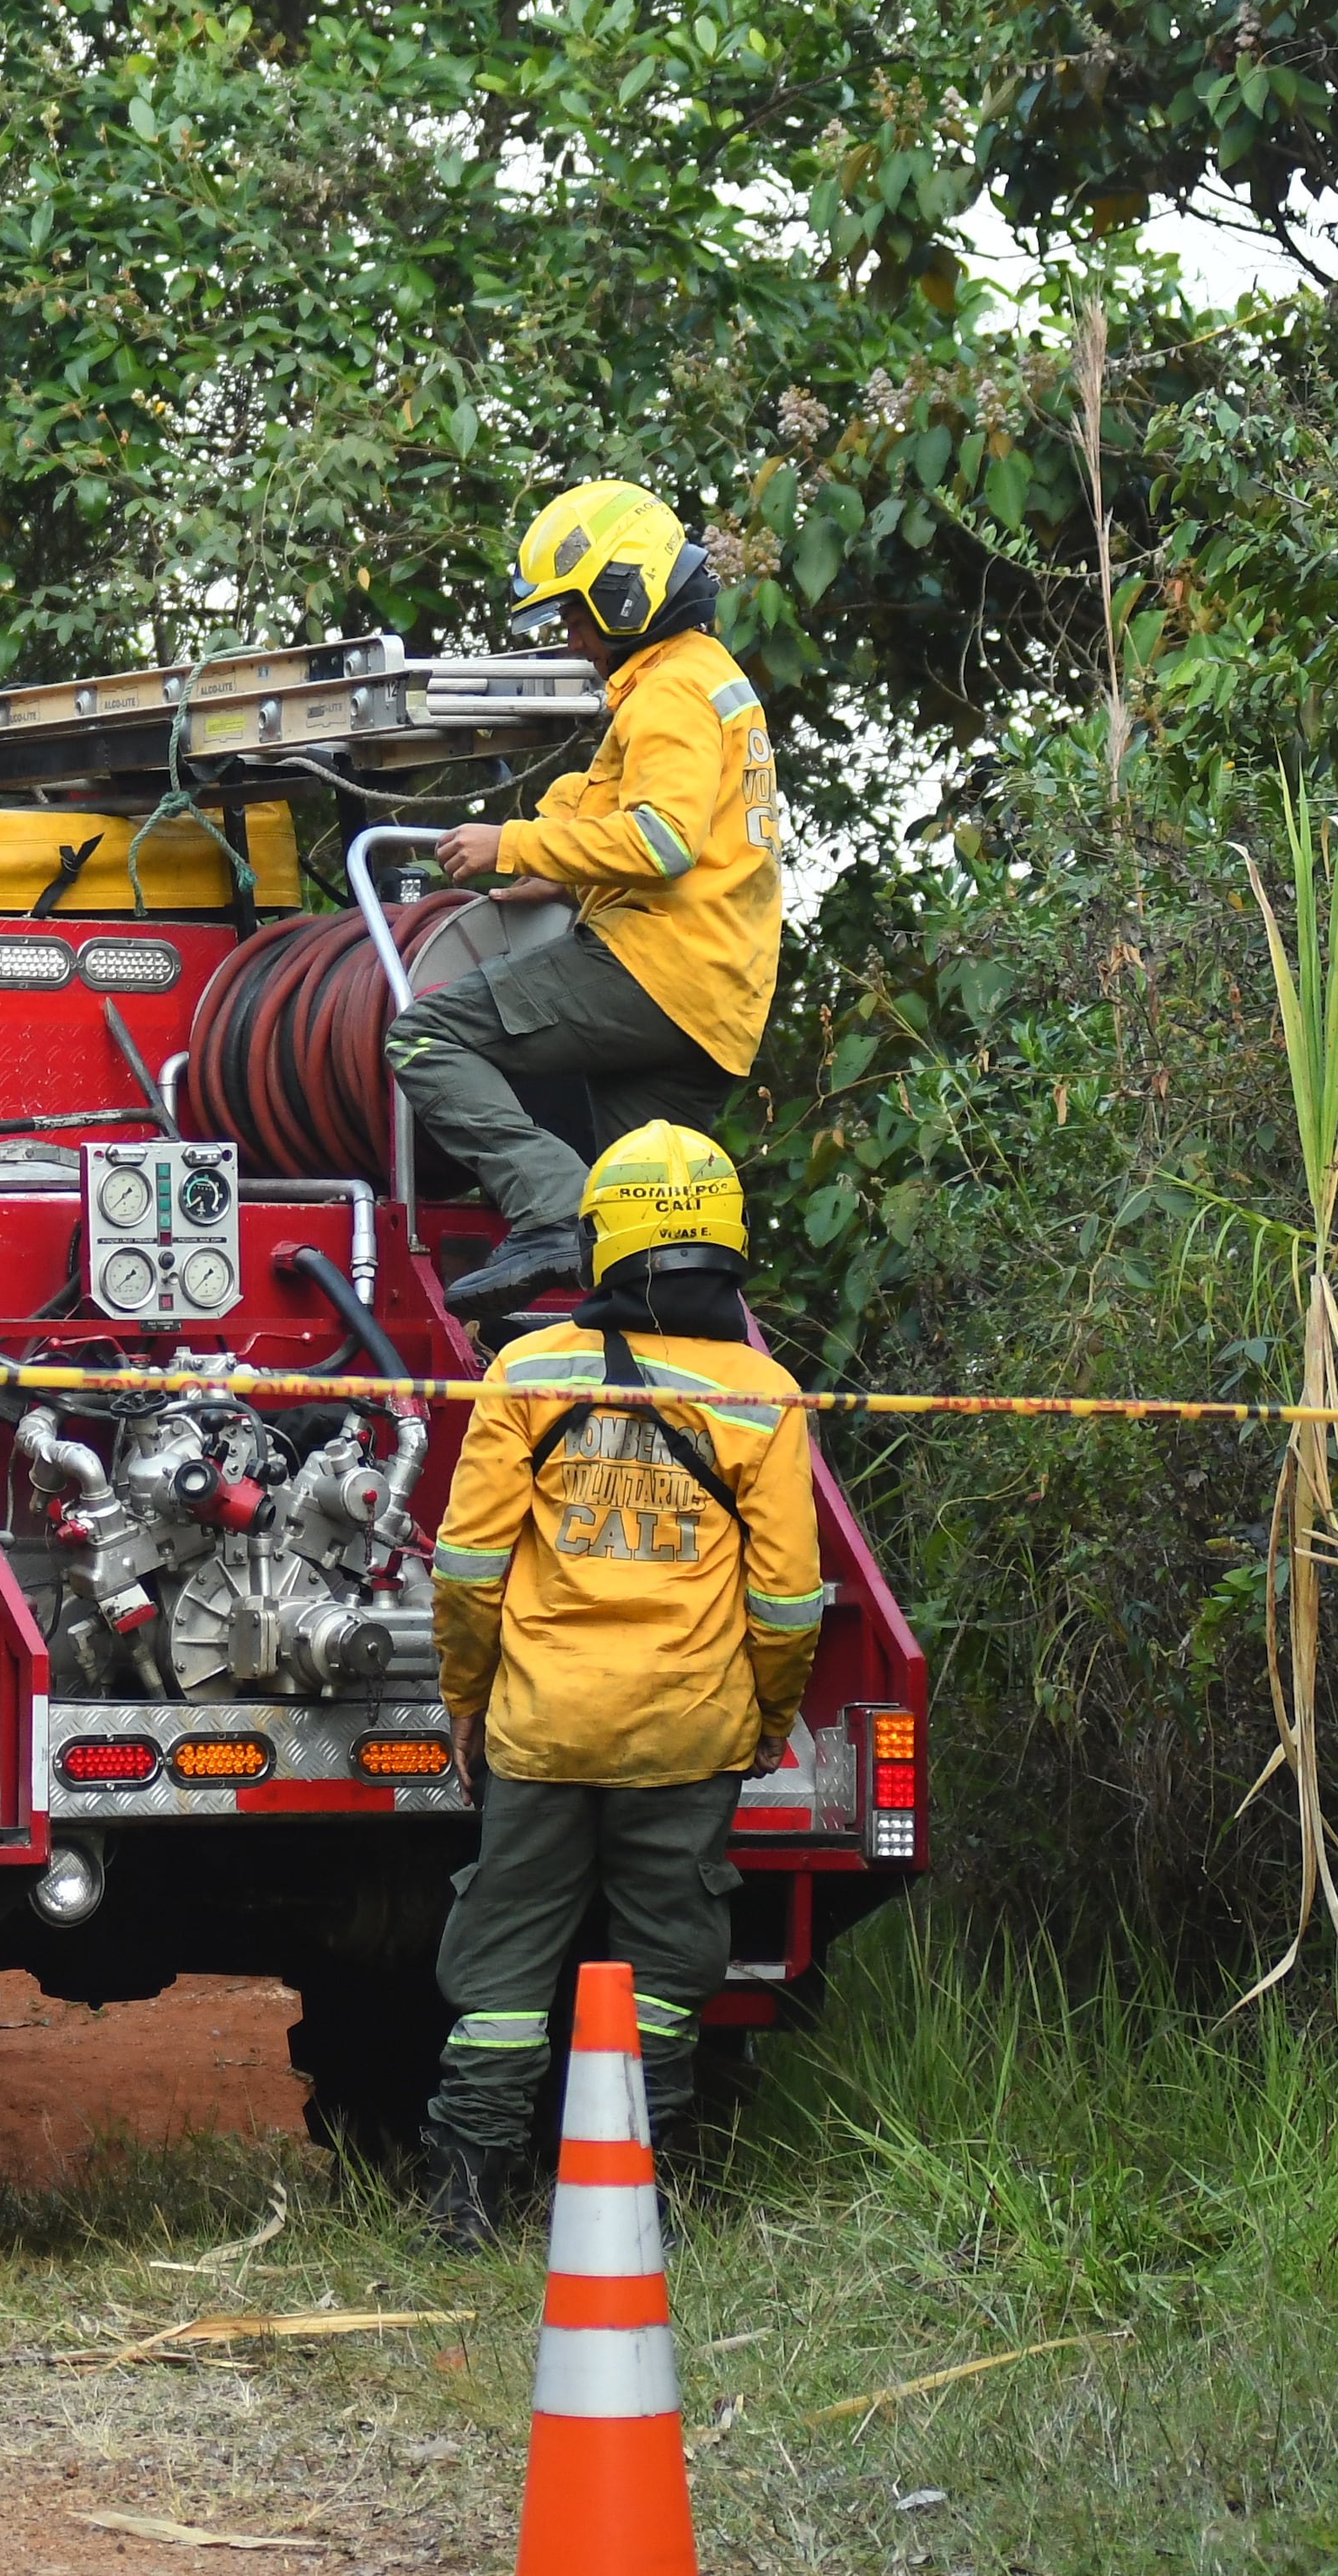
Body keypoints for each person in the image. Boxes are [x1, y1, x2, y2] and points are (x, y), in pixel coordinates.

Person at [415, 1122, 825, 2246]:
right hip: (689, 1734)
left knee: (502, 1964)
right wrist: (765, 1717)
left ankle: (466, 2202)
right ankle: (630, 2200)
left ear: (600, 1243)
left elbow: (466, 1569)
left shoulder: (528, 1370)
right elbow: (789, 1602)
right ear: (729, 1247)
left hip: (541, 1728)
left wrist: (468, 1696)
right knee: (664, 1965)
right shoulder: (763, 1395)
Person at [388, 480, 791, 1313]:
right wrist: (566, 869)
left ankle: (552, 1214)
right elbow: (641, 810)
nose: (570, 636)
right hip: (714, 1001)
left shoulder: (669, 693)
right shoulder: (704, 677)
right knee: (651, 1250)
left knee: (424, 1037)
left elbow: (662, 839)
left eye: (575, 613)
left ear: (623, 594)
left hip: (654, 965)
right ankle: (663, 1338)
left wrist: (514, 844)